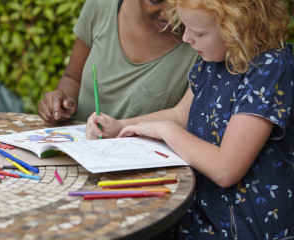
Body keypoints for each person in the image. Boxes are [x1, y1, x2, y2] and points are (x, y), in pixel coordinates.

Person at [86, 0, 294, 239]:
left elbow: (226, 168)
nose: (185, 38)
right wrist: (123, 126)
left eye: (198, 32)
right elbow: (178, 115)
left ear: (238, 27)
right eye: (184, 27)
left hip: (246, 226)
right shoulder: (214, 62)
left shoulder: (270, 69)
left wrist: (166, 131)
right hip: (200, 218)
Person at [38, 0, 198, 123]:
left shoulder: (203, 42)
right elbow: (72, 78)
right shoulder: (102, 5)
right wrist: (62, 103)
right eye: (156, 0)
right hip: (80, 154)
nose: (170, 14)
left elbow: (183, 119)